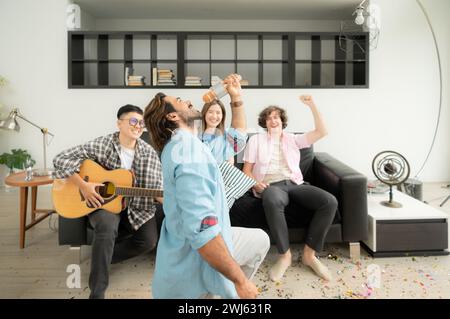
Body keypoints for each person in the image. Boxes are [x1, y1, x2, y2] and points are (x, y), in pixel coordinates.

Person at [143, 88, 270, 299]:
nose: (189, 102)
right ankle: (219, 287)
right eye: (181, 100)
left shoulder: (191, 144)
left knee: (259, 240)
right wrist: (240, 281)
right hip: (191, 259)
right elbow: (202, 229)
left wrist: (236, 97)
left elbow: (238, 135)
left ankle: (217, 290)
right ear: (173, 116)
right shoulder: (187, 150)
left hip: (201, 238)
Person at [53, 104, 163, 299]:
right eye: (133, 121)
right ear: (119, 123)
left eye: (141, 123)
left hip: (135, 206)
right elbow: (61, 158)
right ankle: (97, 291)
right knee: (106, 226)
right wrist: (84, 186)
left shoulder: (149, 153)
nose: (138, 126)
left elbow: (156, 189)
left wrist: (169, 196)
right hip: (102, 204)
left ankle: (101, 259)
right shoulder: (103, 144)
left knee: (148, 241)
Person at [242, 95, 337, 282]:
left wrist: (312, 105)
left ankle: (310, 256)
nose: (273, 120)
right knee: (271, 198)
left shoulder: (294, 139)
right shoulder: (255, 140)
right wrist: (255, 183)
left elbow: (322, 131)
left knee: (329, 201)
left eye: (276, 116)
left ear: (282, 121)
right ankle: (284, 256)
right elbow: (247, 171)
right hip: (271, 186)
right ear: (264, 122)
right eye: (269, 117)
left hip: (294, 184)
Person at [200, 74, 246, 165]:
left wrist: (236, 96)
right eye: (210, 112)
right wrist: (219, 87)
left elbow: (239, 132)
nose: (214, 116)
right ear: (204, 113)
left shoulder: (226, 137)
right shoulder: (194, 133)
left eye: (218, 113)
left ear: (222, 116)